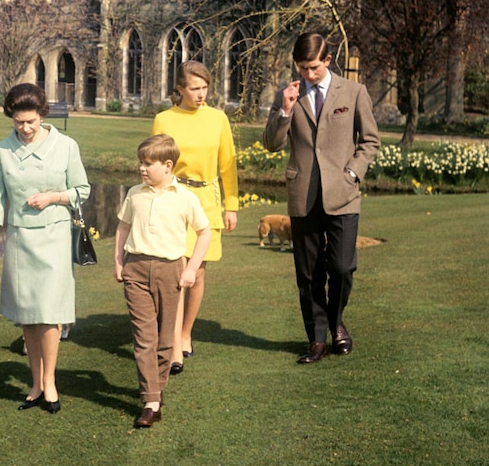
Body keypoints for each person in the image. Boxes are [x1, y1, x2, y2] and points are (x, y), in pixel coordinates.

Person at [262, 32, 380, 364]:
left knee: (342, 267)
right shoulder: (289, 93)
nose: (307, 74)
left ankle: (336, 321)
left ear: (327, 61)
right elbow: (271, 143)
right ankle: (317, 340)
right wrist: (284, 111)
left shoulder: (353, 92)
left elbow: (370, 141)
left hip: (343, 194)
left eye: (313, 67)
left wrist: (353, 173)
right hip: (303, 194)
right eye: (301, 68)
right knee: (309, 274)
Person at [0, 83, 90, 414]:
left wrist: (53, 197)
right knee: (27, 316)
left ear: (42, 114)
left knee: (50, 314)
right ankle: (36, 383)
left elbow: (82, 189)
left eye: (31, 121)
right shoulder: (1, 152)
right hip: (19, 241)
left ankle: (51, 382)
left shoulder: (66, 146)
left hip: (55, 239)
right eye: (19, 122)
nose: (26, 129)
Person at [115, 134, 211, 428]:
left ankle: (155, 389)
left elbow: (204, 233)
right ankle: (151, 401)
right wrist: (118, 262)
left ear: (168, 165)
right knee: (144, 338)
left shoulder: (185, 198)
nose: (142, 169)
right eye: (140, 163)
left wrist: (191, 269)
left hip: (171, 270)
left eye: (148, 164)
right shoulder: (135, 193)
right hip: (136, 269)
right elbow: (123, 226)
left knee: (166, 340)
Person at [152, 60, 238, 375]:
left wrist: (232, 205)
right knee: (176, 273)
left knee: (197, 273)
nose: (201, 94)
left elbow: (228, 164)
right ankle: (173, 343)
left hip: (207, 202)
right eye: (194, 88)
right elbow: (156, 163)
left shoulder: (218, 119)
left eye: (204, 88)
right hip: (174, 200)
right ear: (180, 89)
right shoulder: (164, 119)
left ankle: (186, 332)